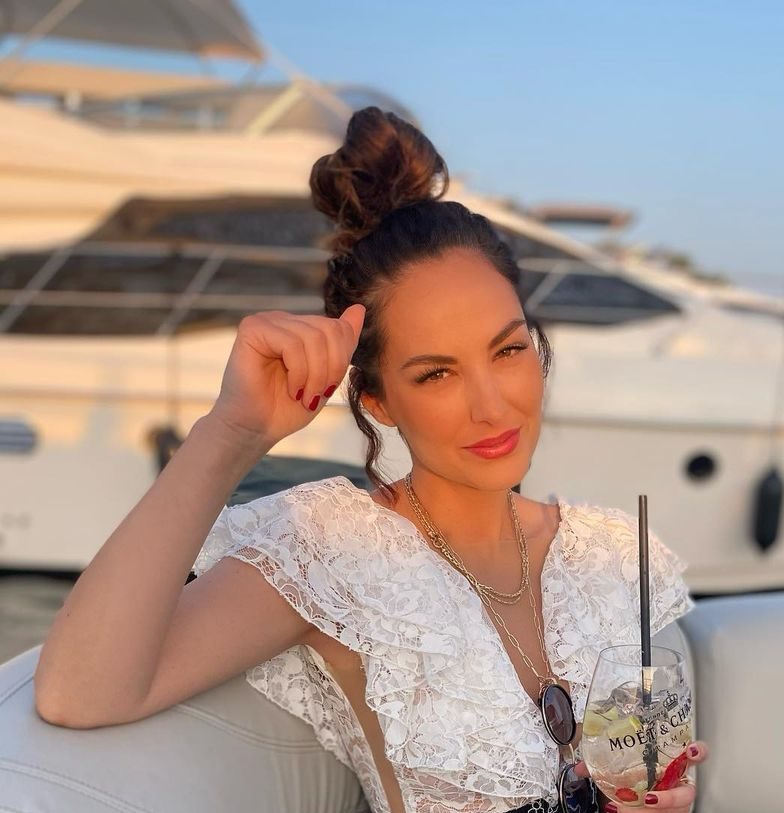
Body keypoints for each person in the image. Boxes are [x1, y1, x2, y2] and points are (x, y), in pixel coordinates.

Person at [33, 107, 708, 813]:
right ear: (379, 400)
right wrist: (232, 430)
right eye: (436, 373)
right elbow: (81, 691)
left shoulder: (607, 553)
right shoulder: (338, 549)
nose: (491, 406)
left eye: (508, 350)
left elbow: (636, 767)